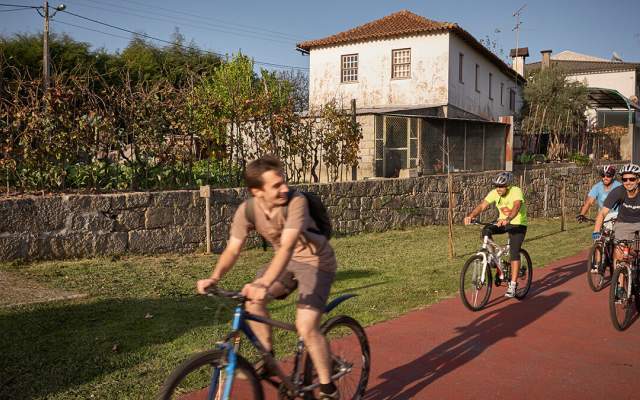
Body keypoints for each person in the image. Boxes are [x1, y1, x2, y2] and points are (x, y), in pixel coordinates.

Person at [196, 155, 340, 399]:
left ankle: (328, 389)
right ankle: (269, 358)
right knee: (251, 301)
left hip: (317, 263)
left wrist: (263, 283)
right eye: (276, 185)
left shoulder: (296, 202)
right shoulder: (248, 210)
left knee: (306, 327)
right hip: (285, 264)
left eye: (283, 182)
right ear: (257, 191)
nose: (284, 188)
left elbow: (286, 246)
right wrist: (214, 277)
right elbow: (232, 249)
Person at [464, 171, 528, 298]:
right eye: (496, 186)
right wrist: (471, 216)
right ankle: (494, 258)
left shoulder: (516, 191)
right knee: (486, 231)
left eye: (501, 186)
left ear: (508, 186)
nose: (498, 189)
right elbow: (482, 206)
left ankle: (513, 285)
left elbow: (516, 206)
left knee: (514, 252)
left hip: (518, 225)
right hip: (502, 223)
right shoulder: (494, 193)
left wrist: (508, 219)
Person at [593, 164, 640, 270]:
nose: (628, 182)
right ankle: (620, 285)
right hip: (624, 222)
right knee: (619, 253)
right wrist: (596, 232)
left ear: (638, 180)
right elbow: (602, 213)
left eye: (632, 179)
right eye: (625, 179)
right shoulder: (618, 191)